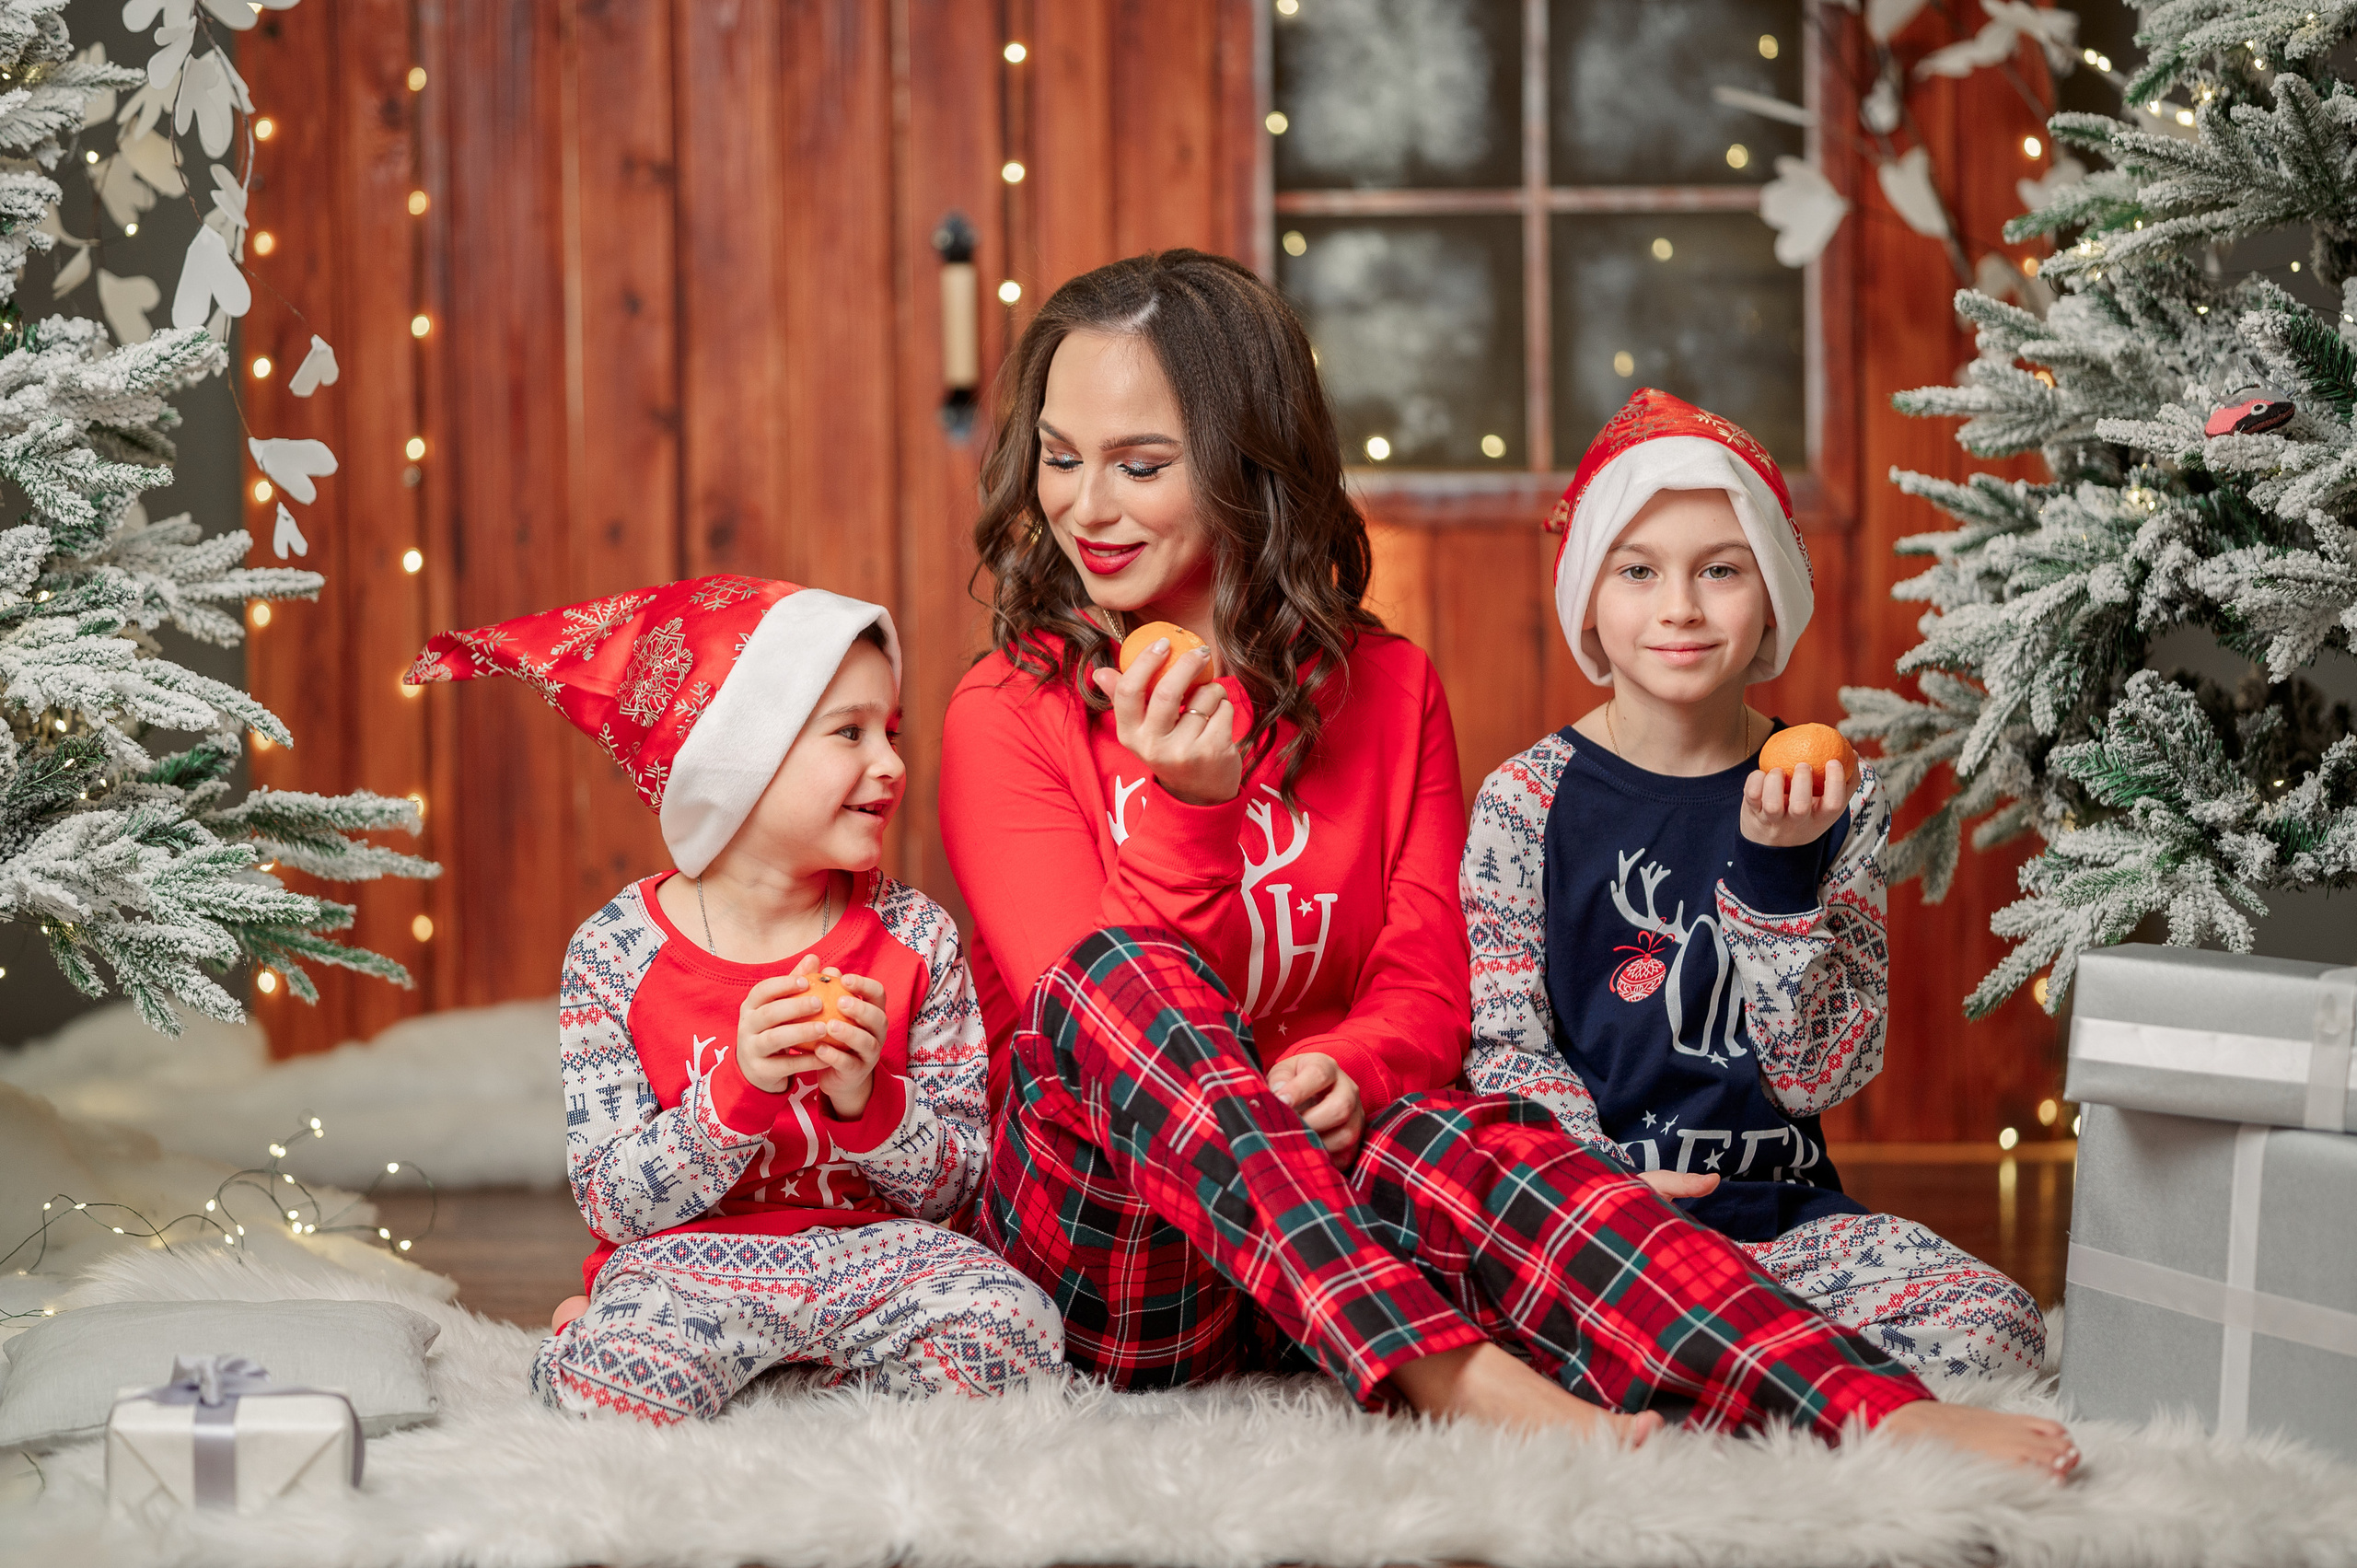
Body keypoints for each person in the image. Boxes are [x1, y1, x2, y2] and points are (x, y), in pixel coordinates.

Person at [938, 247, 2074, 1473]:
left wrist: (1351, 1060)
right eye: (1061, 457)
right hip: (1127, 1266)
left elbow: (1429, 984)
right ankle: (1457, 1376)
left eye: (1139, 464)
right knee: (1111, 985)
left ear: (1242, 459)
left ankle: (1868, 1406)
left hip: (1346, 1227)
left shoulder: (1387, 688)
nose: (1086, 507)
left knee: (1467, 1134)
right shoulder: (1007, 712)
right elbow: (1104, 1033)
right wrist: (1187, 809)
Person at [1461, 386, 2047, 1379]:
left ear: (1771, 591)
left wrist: (1778, 874)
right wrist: (1606, 1186)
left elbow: (1825, 1073)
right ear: (1589, 605)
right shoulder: (1524, 799)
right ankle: (1775, 1375)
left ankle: (1739, 1371)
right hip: (1602, 1227)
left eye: (1720, 570)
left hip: (1787, 1224)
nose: (1680, 606)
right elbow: (1503, 1048)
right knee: (1541, 1325)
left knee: (1998, 1329)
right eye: (1637, 570)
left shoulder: (1832, 792)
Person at [404, 577, 1062, 1423]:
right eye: (850, 732)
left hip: (876, 1255)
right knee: (611, 1382)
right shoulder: (613, 953)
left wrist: (871, 1103)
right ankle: (615, 1336)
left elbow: (955, 1189)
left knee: (1021, 1333)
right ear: (738, 761)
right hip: (689, 1265)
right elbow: (612, 1200)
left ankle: (781, 1384)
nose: (892, 762)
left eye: (890, 731)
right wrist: (735, 1095)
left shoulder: (917, 937)